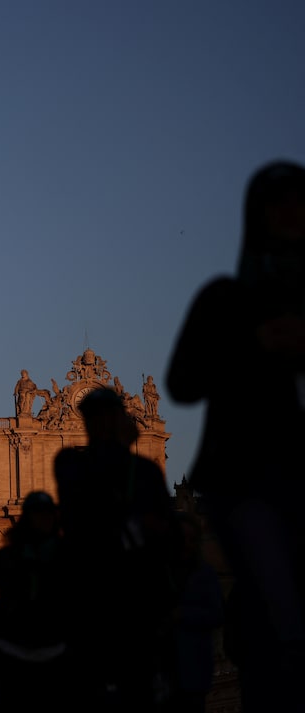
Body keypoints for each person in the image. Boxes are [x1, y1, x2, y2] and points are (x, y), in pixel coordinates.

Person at [166, 160, 305, 713]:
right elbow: (181, 382)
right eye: (280, 205)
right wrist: (255, 344)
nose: (292, 216)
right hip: (248, 478)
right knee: (279, 621)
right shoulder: (225, 299)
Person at [54, 387, 177, 712]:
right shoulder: (72, 462)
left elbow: (164, 529)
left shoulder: (142, 470)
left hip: (132, 593)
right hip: (96, 591)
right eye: (98, 418)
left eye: (108, 417)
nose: (104, 424)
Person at [0, 491, 74, 713]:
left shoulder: (68, 558)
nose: (43, 520)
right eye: (38, 515)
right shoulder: (5, 558)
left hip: (54, 648)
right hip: (15, 650)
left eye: (47, 514)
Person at [165, 511, 224, 713]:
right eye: (182, 538)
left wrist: (183, 614)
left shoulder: (205, 574)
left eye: (192, 538)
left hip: (194, 672)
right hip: (167, 672)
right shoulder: (163, 571)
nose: (187, 544)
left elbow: (217, 614)